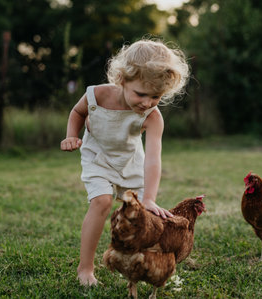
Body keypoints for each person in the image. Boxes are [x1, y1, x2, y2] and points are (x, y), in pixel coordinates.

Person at [60, 38, 190, 286]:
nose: (147, 102)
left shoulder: (153, 117)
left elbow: (153, 158)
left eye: (156, 96)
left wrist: (149, 198)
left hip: (131, 162)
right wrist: (70, 135)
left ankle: (139, 266)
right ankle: (85, 268)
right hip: (97, 157)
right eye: (141, 94)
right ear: (122, 79)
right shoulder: (97, 95)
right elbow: (77, 112)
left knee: (141, 216)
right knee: (102, 201)